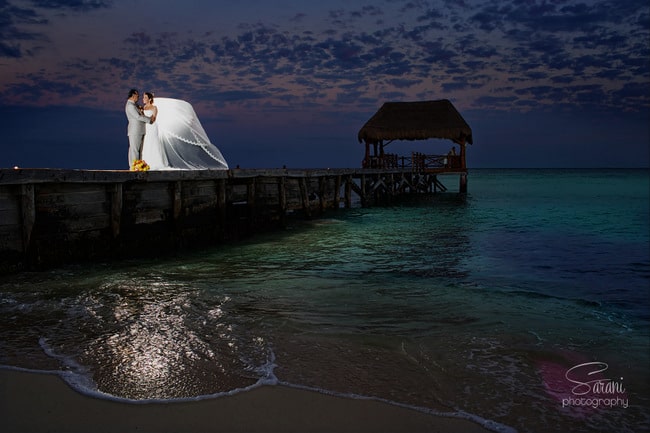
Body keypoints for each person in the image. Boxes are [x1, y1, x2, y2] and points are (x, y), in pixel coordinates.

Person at [140, 93, 229, 170]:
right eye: (143, 97)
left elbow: (154, 118)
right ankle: (147, 162)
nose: (143, 99)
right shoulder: (143, 107)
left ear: (150, 99)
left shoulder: (154, 107)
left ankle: (156, 162)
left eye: (145, 97)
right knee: (147, 144)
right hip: (147, 127)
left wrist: (147, 119)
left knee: (153, 143)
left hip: (152, 126)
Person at [125, 89, 153, 168]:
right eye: (137, 96)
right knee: (134, 150)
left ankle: (137, 166)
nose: (138, 97)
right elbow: (137, 117)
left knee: (138, 150)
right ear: (133, 95)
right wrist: (149, 120)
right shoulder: (130, 106)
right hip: (135, 131)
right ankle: (135, 167)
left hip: (139, 130)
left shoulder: (134, 105)